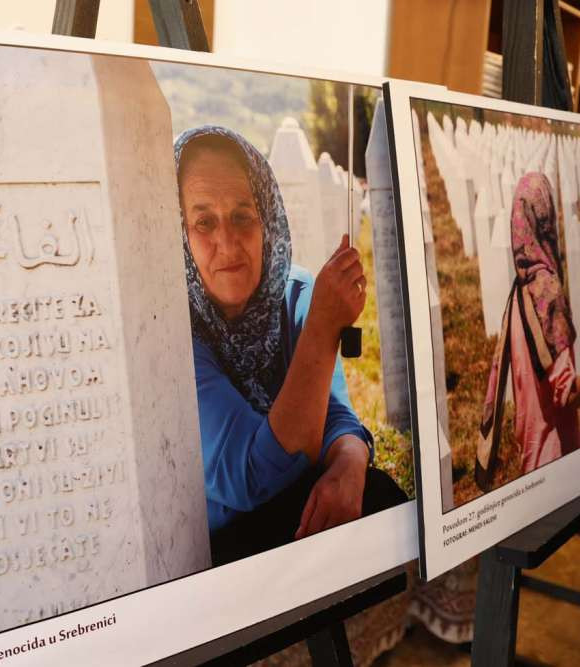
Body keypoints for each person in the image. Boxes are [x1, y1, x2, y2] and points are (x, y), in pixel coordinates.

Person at [174, 125, 407, 566]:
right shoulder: (172, 330)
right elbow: (248, 476)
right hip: (225, 547)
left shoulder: (296, 293)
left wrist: (350, 462)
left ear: (268, 216)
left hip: (298, 509)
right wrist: (322, 328)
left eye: (243, 215)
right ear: (179, 230)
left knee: (383, 502)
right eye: (204, 221)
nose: (227, 242)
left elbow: (338, 414)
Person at [476, 172, 580, 490]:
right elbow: (567, 394)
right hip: (557, 459)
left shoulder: (520, 291)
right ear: (545, 218)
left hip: (531, 458)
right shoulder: (545, 291)